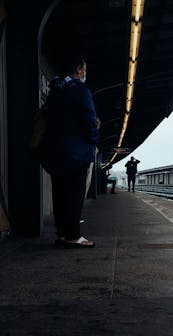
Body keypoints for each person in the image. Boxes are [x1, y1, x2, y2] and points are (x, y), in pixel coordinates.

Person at [39, 54, 99, 248]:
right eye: (84, 69)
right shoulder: (80, 90)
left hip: (55, 152)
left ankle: (63, 234)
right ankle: (73, 236)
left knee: (60, 194)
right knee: (74, 194)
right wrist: (93, 137)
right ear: (78, 69)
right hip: (76, 154)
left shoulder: (55, 90)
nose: (85, 73)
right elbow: (89, 122)